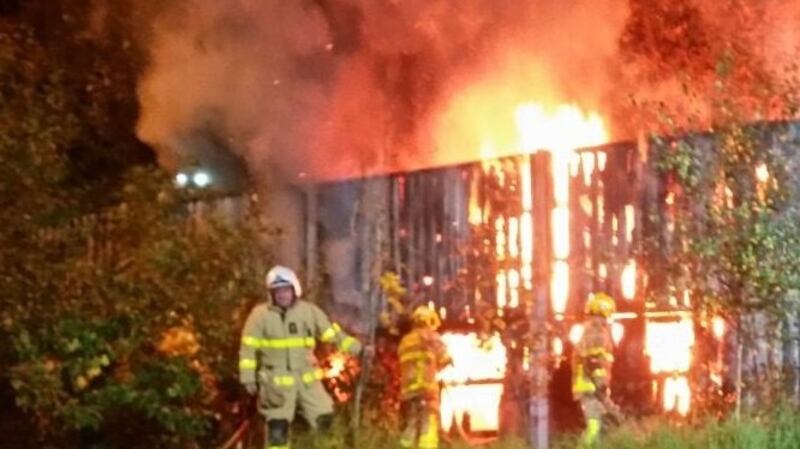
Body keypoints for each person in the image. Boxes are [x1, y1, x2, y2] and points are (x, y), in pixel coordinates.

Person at [239, 265, 363, 449]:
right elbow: (248, 348)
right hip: (275, 385)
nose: (282, 295)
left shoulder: (309, 312)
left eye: (286, 290)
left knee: (324, 417)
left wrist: (357, 348)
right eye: (278, 291)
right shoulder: (260, 316)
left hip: (307, 380)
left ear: (294, 289)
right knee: (277, 428)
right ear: (271, 293)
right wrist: (248, 377)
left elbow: (330, 334)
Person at [571, 292, 622, 448]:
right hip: (591, 388)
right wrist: (599, 386)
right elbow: (592, 361)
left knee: (605, 423)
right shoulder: (596, 332)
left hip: (593, 388)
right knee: (594, 426)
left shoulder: (591, 330)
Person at [398, 306, 452, 449]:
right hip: (426, 391)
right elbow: (445, 358)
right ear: (427, 321)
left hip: (408, 394)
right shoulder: (430, 336)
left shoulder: (405, 341)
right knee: (428, 428)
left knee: (411, 426)